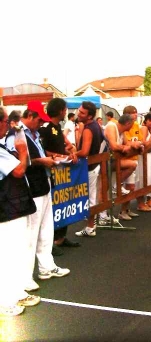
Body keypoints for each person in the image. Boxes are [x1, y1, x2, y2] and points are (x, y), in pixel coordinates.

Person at [6, 101, 70, 292]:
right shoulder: (17, 134)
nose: (41, 123)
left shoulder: (34, 134)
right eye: (39, 120)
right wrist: (41, 161)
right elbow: (17, 162)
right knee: (30, 234)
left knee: (45, 229)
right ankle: (26, 277)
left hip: (43, 183)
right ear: (31, 116)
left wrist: (50, 159)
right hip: (31, 187)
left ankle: (46, 266)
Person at [0, 106, 41, 316]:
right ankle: (6, 301)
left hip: (12, 205)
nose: (9, 126)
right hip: (6, 208)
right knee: (7, 254)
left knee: (16, 251)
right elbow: (18, 170)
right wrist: (23, 152)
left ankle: (16, 293)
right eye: (6, 122)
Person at [41, 98, 80, 254]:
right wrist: (57, 155)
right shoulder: (45, 128)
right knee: (51, 209)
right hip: (51, 173)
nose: (66, 112)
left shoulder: (58, 127)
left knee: (63, 205)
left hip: (63, 173)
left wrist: (72, 152)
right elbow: (42, 150)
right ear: (59, 110)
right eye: (64, 109)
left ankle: (61, 238)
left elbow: (67, 144)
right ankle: (48, 244)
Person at [74, 101, 106, 237]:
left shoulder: (88, 129)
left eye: (82, 112)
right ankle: (91, 226)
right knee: (91, 196)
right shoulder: (95, 126)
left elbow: (85, 151)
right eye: (79, 110)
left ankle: (91, 226)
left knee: (90, 198)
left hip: (89, 167)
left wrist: (72, 154)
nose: (78, 113)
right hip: (94, 165)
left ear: (89, 116)